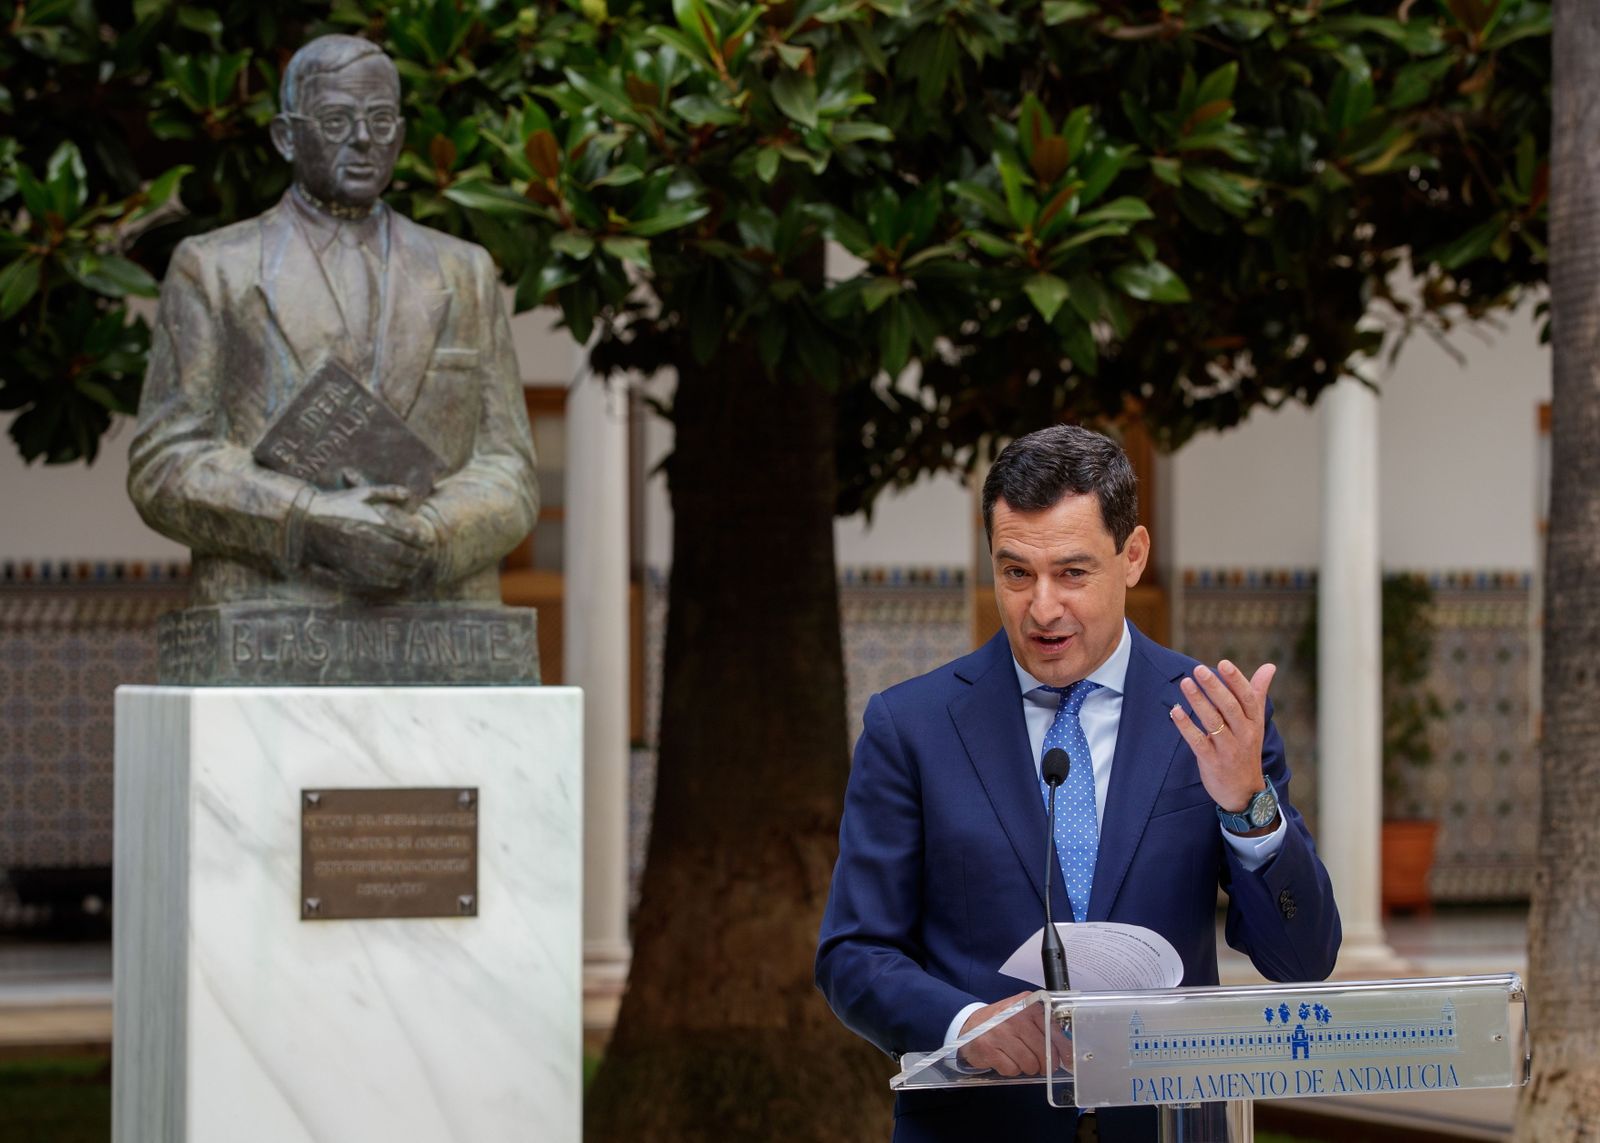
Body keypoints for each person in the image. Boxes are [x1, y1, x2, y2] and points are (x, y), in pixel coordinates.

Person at [815, 424, 1341, 1141]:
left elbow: (1302, 957)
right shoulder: (910, 727)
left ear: (1132, 556)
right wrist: (962, 1022)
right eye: (1015, 573)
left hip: (1167, 1123)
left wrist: (1248, 806)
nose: (1042, 608)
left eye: (1072, 572)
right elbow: (853, 955)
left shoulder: (1214, 716)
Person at [129, 34, 536, 604]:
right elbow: (164, 464)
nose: (364, 139)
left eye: (380, 119)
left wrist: (430, 534)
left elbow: (508, 465)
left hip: (435, 615)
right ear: (287, 137)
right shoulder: (216, 268)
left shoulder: (464, 272)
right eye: (337, 119)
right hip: (270, 610)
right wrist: (309, 520)